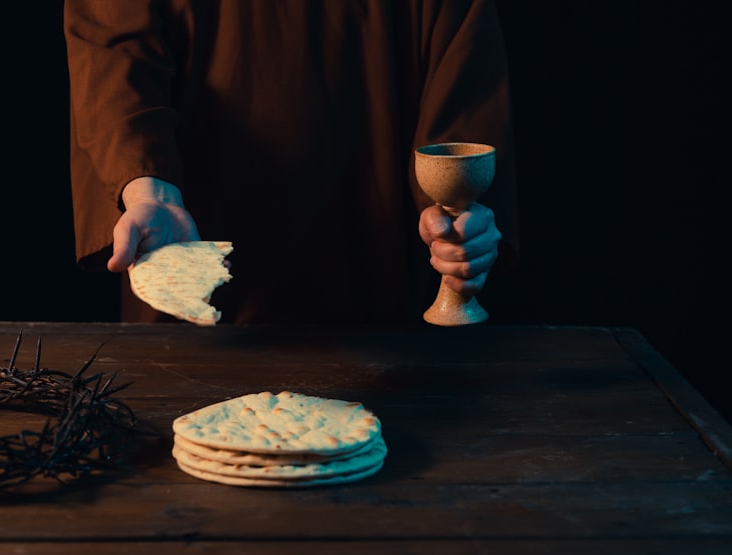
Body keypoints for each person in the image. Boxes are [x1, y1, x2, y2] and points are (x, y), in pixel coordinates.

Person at [63, 0, 518, 326]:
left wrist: (456, 219)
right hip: (186, 273)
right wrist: (148, 188)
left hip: (377, 298)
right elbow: (114, 54)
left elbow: (461, 88)